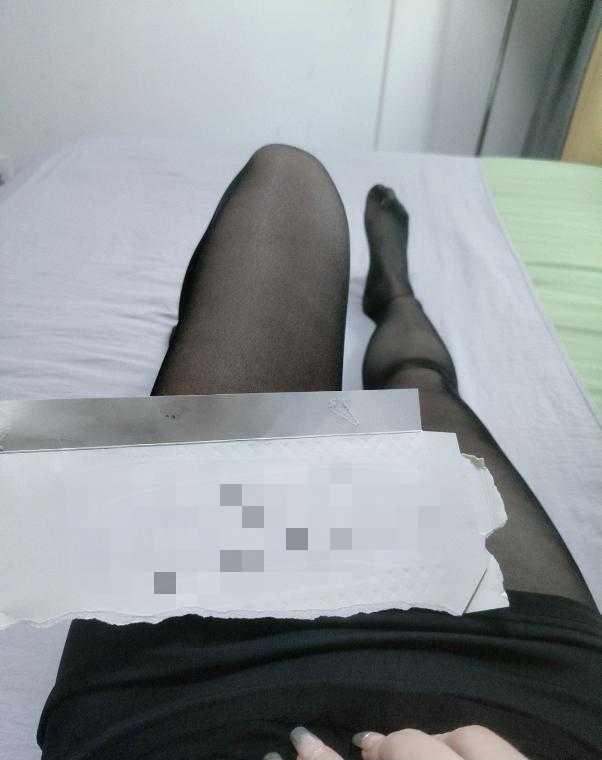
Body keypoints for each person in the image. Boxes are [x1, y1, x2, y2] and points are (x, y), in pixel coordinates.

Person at [37, 144, 601, 760]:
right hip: (512, 678)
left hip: (182, 672)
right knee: (420, 391)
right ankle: (397, 297)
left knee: (288, 179)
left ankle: (388, 296)